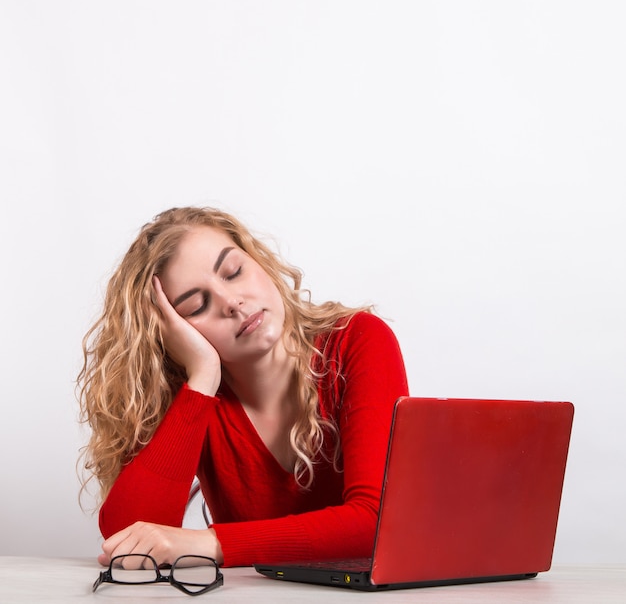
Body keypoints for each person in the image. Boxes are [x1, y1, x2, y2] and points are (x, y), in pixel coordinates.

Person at [78, 206, 409, 569]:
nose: (232, 303)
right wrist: (202, 377)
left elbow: (377, 523)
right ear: (174, 334)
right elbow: (128, 539)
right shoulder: (194, 397)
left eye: (234, 272)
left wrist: (208, 543)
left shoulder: (359, 341)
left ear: (259, 261)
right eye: (196, 305)